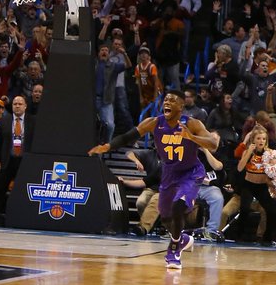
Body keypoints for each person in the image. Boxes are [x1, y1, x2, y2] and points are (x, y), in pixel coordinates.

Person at [89, 90, 220, 269]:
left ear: (181, 106)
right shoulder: (154, 123)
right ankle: (181, 239)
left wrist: (191, 137)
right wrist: (108, 146)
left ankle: (174, 249)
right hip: (169, 172)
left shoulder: (192, 124)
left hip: (190, 172)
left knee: (178, 206)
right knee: (165, 217)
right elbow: (129, 136)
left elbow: (213, 144)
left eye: (172, 100)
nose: (167, 102)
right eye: (166, 99)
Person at [0, 96, 33, 218]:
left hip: (24, 162)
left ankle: (23, 217)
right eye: (15, 104)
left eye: (20, 104)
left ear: (25, 106)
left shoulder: (32, 121)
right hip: (7, 161)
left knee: (24, 191)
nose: (17, 106)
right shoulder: (4, 120)